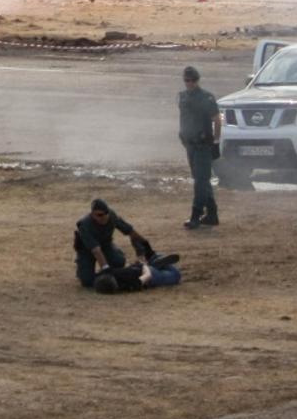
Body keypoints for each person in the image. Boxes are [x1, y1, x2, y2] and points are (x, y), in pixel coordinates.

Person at [178, 66, 221, 229]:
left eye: (192, 80)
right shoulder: (182, 97)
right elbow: (183, 118)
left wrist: (216, 142)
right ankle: (211, 214)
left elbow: (217, 120)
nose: (190, 83)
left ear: (197, 80)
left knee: (200, 182)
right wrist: (182, 135)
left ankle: (196, 215)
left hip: (203, 145)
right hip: (190, 143)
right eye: (187, 80)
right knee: (201, 180)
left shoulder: (206, 98)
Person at [74, 199, 153, 287]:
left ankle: (114, 268)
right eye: (99, 215)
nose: (104, 217)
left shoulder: (112, 216)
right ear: (92, 214)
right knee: (87, 281)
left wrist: (145, 244)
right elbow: (96, 250)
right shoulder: (85, 225)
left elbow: (130, 231)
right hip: (87, 250)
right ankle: (84, 271)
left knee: (119, 262)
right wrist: (106, 269)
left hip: (105, 245)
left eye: (106, 213)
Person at [90, 251, 183, 294]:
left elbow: (148, 276)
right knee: (156, 261)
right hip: (134, 268)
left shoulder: (129, 285)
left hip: (150, 273)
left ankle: (156, 262)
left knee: (176, 275)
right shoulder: (108, 272)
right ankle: (155, 259)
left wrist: (144, 266)